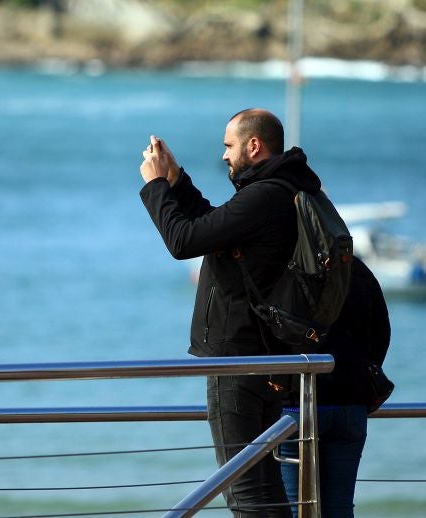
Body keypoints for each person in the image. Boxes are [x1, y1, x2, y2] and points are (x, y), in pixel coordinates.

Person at [138, 108, 324, 517]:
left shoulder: (264, 196)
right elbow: (213, 226)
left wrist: (154, 186)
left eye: (228, 145)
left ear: (253, 145)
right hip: (262, 355)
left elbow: (183, 240)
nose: (224, 155)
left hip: (238, 359)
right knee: (261, 486)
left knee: (246, 491)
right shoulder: (281, 191)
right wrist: (176, 181)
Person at [277, 255, 390, 518]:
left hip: (295, 409)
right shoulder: (357, 268)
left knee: (295, 508)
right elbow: (381, 334)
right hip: (350, 406)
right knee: (339, 508)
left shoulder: (283, 269)